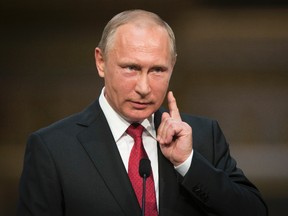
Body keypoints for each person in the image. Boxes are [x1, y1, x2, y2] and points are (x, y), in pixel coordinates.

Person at [17, 9, 268, 216]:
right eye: (131, 68)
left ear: (173, 66)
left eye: (157, 70)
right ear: (101, 62)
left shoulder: (203, 137)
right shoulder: (52, 148)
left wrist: (187, 163)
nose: (144, 88)